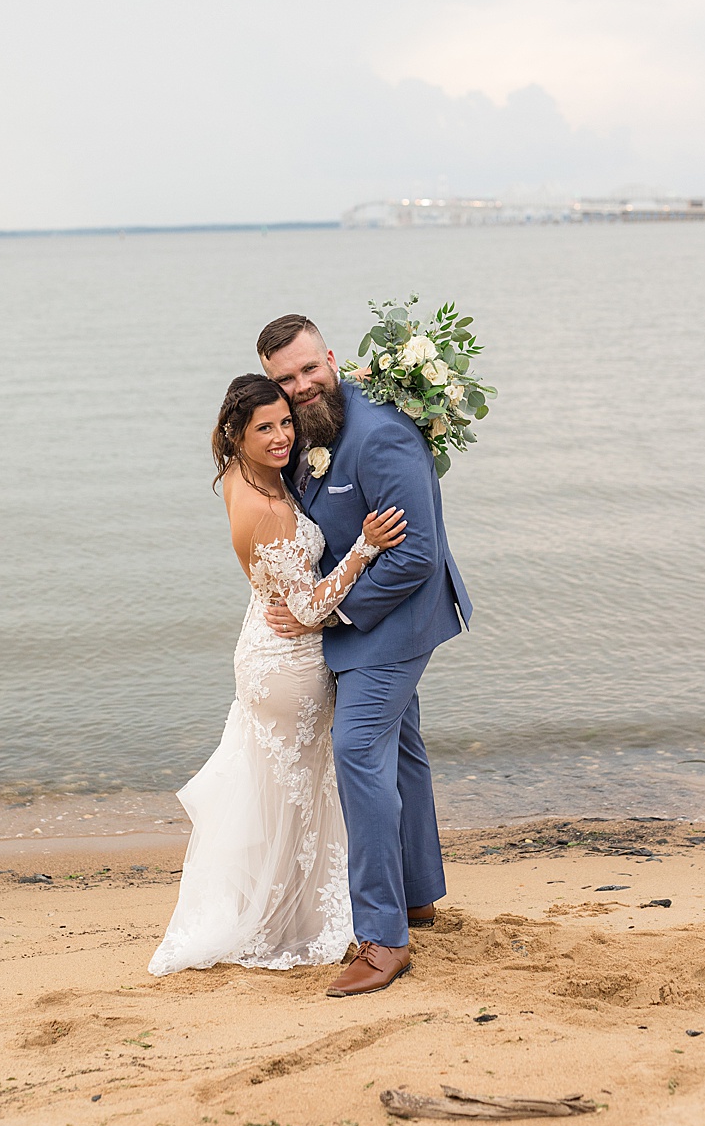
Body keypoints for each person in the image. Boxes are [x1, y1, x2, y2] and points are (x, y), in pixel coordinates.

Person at [149, 375, 404, 976]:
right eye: (265, 428)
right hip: (289, 664)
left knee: (280, 790)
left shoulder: (244, 477)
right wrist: (364, 546)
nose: (283, 436)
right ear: (236, 434)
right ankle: (285, 921)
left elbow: (286, 595)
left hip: (263, 649)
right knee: (300, 792)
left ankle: (282, 909)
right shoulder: (267, 511)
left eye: (286, 421)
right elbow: (309, 612)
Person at [258, 313, 472, 996]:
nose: (301, 386)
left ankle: (382, 940)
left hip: (395, 622)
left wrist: (331, 610)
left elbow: (416, 555)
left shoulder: (381, 436)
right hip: (357, 619)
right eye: (285, 380)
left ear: (332, 357)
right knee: (401, 749)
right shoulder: (307, 434)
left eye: (308, 369)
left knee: (356, 750)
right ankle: (417, 893)